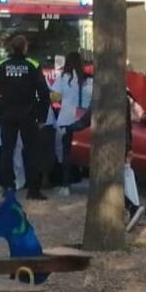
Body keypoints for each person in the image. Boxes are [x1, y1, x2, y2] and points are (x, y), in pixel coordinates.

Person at [0, 35, 50, 199]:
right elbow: (43, 92)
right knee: (31, 152)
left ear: (11, 48)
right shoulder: (33, 65)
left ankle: (8, 187)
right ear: (25, 47)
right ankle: (33, 190)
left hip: (7, 114)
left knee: (7, 151)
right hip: (28, 114)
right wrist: (41, 116)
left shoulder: (2, 64)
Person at [52, 50, 92, 196]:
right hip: (84, 120)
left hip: (66, 119)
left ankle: (65, 185)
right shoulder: (88, 79)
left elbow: (55, 97)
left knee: (66, 153)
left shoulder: (63, 78)